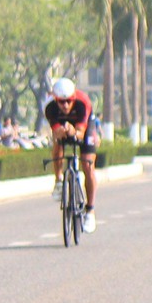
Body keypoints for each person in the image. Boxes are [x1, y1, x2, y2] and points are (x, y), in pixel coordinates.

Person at [44, 77, 100, 233]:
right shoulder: (49, 107)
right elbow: (55, 130)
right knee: (57, 142)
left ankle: (90, 211)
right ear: (55, 99)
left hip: (85, 126)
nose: (66, 105)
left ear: (74, 98)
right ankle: (59, 181)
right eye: (61, 102)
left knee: (88, 165)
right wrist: (61, 131)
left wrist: (72, 131)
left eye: (69, 101)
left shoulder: (83, 103)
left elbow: (81, 134)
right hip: (63, 125)